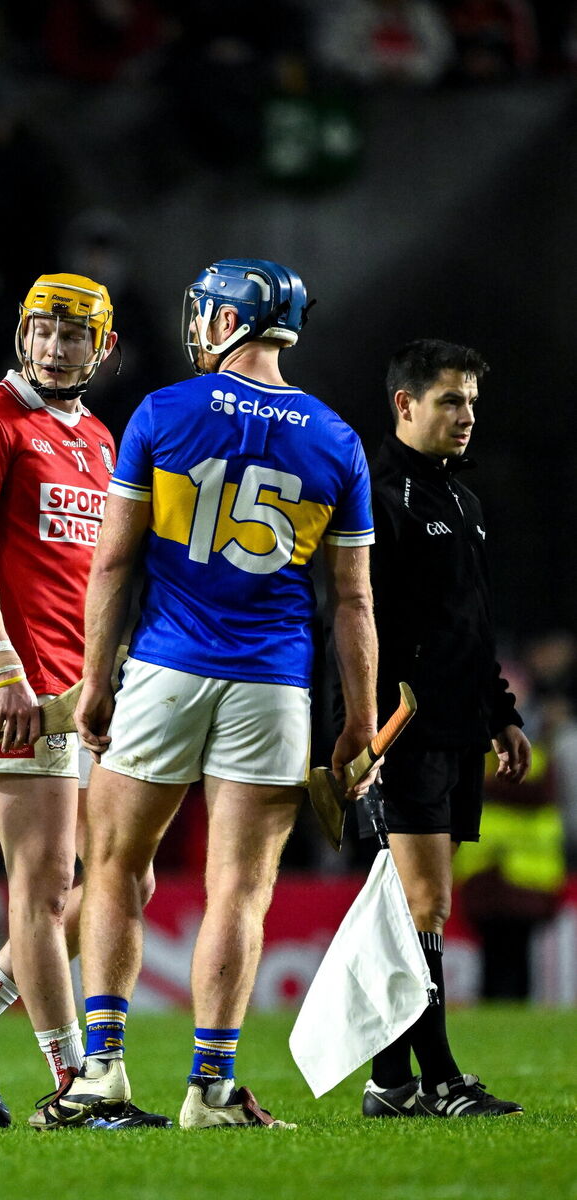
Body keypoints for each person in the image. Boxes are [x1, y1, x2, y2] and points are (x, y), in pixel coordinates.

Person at [33, 258, 380, 1131]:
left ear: (228, 321)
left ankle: (102, 1073)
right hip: (273, 682)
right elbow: (351, 601)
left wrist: (97, 677)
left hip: (165, 667)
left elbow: (112, 562)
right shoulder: (337, 440)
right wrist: (361, 725)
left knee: (113, 867)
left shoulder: (163, 411)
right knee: (239, 890)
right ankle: (212, 1089)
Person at [0, 273, 158, 1130]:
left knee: (128, 882)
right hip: (12, 687)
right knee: (49, 886)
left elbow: (101, 580)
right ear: (22, 334)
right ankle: (71, 1086)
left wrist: (113, 669)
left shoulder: (98, 436)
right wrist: (6, 668)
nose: (56, 348)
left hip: (82, 691)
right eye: (43, 331)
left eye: (74, 336)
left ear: (104, 349)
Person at [360, 339, 530, 1118]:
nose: (465, 415)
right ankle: (438, 1080)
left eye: (469, 400)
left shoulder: (461, 503)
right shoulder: (375, 496)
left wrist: (500, 713)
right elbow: (352, 626)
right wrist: (357, 732)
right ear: (405, 404)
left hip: (461, 729)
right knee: (422, 904)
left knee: (417, 908)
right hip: (404, 732)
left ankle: (389, 1081)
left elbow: (472, 627)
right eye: (448, 400)